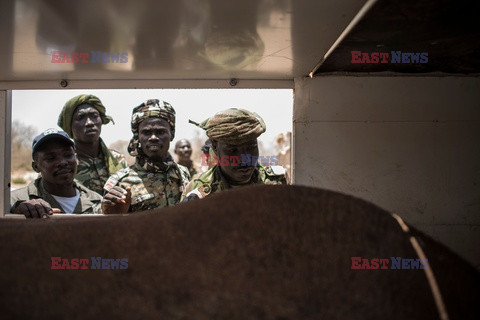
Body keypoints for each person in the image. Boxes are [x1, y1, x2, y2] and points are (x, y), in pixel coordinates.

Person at [102, 99, 190, 213]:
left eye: (160, 132)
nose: (153, 137)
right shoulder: (121, 181)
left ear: (172, 134)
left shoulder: (183, 173)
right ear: (137, 137)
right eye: (146, 132)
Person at [182, 108, 286, 202]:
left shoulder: (277, 182)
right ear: (215, 147)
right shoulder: (196, 191)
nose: (244, 159)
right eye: (232, 150)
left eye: (251, 148)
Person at [10, 129, 103, 218]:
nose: (62, 162)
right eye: (51, 158)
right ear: (36, 167)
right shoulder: (13, 201)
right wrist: (18, 212)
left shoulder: (98, 202)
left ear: (77, 159)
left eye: (68, 155)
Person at [58, 94, 128, 195]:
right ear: (70, 126)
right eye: (80, 117)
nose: (89, 123)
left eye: (94, 116)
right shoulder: (63, 164)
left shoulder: (118, 160)